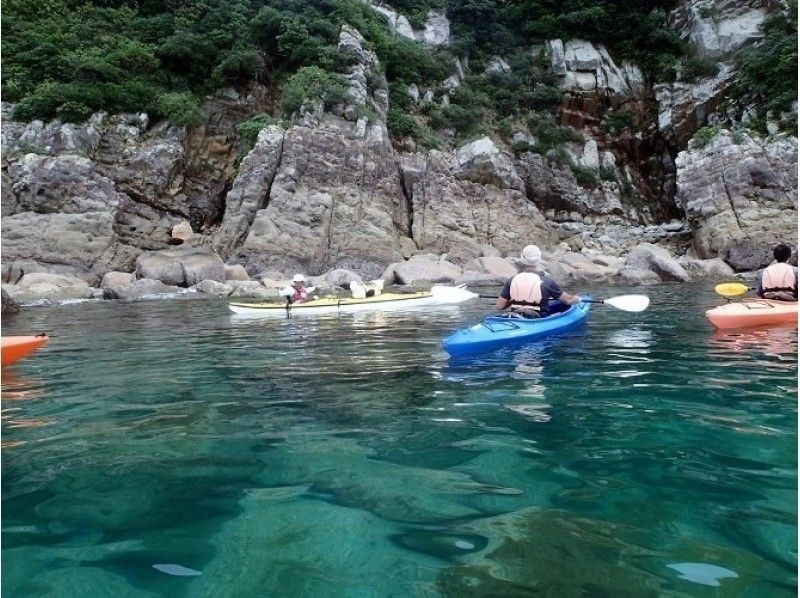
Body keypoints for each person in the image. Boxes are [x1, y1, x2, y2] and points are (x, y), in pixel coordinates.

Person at [496, 245, 581, 317]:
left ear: (522, 258)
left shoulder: (511, 280)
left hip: (515, 316)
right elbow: (568, 300)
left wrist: (511, 302)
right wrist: (577, 299)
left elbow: (499, 306)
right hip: (538, 318)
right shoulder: (547, 282)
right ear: (539, 259)